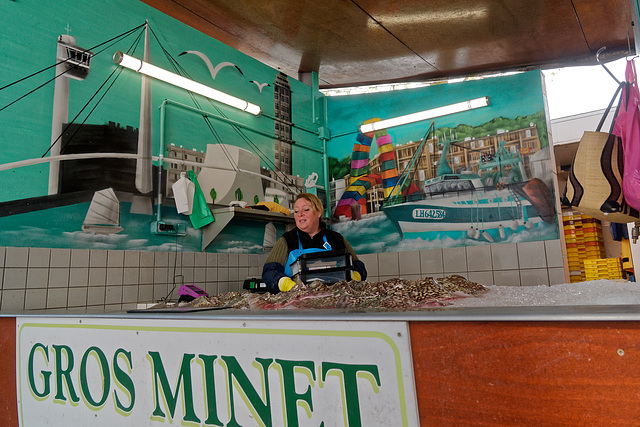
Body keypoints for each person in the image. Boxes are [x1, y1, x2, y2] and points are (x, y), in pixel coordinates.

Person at [262, 193, 367, 292]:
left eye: (306, 210)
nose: (300, 214)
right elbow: (269, 272)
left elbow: (359, 266)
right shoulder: (287, 240)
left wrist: (355, 277)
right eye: (296, 211)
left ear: (319, 212)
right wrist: (286, 284)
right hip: (297, 302)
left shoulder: (336, 239)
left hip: (333, 301)